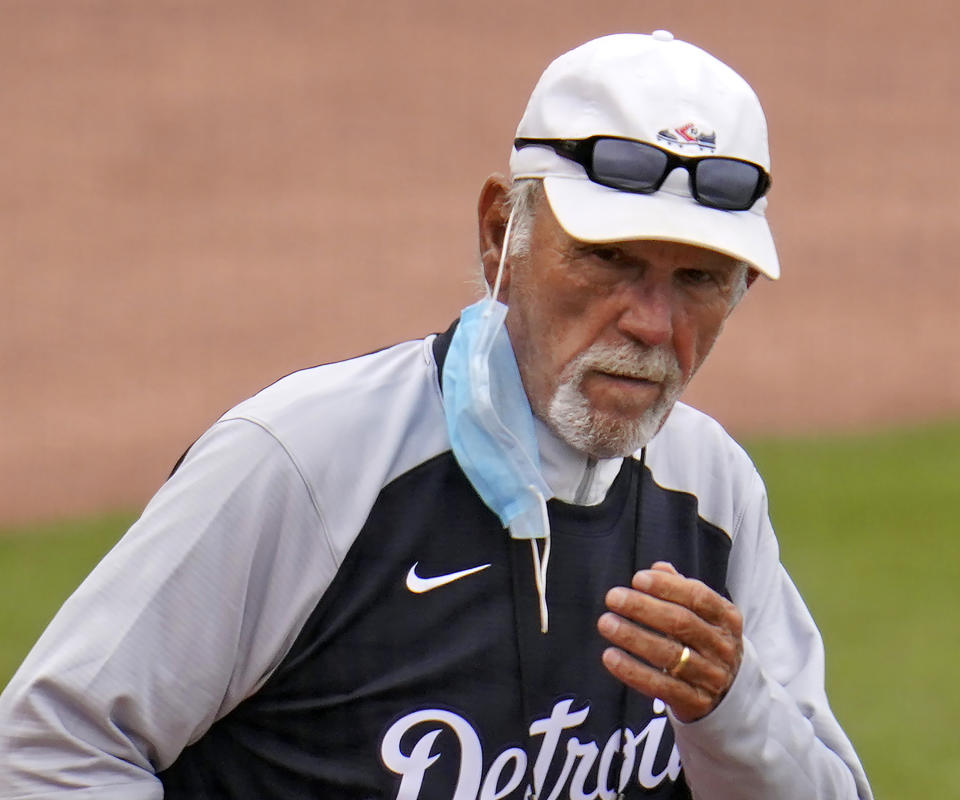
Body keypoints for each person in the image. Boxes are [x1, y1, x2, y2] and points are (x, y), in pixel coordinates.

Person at [0, 31, 872, 800]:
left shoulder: (713, 494)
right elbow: (48, 748)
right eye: (607, 260)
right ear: (502, 232)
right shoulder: (309, 464)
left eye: (698, 280)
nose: (651, 322)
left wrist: (732, 707)